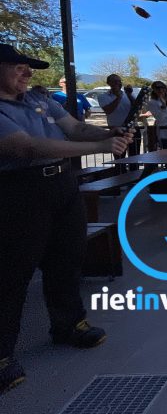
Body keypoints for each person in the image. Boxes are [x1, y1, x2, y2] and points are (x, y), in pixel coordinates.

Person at [0, 44, 132, 394]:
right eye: (18, 67)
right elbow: (25, 148)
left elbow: (75, 128)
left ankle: (68, 324)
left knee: (67, 260)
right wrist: (98, 149)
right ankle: (1, 355)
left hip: (62, 185)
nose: (27, 72)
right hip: (19, 191)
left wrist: (108, 135)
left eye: (28, 67)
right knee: (13, 272)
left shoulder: (39, 100)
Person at [97, 74, 141, 161]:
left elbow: (137, 108)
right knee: (119, 158)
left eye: (119, 81)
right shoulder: (103, 96)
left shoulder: (127, 94)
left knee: (135, 157)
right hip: (116, 130)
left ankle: (134, 174)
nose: (118, 83)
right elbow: (108, 110)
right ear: (108, 83)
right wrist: (118, 97)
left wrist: (129, 94)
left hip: (133, 128)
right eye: (115, 81)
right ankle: (121, 174)